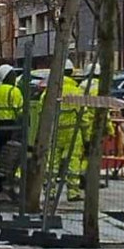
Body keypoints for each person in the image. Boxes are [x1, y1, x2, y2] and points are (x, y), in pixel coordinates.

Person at [43, 59, 86, 201]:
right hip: (73, 132)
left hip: (55, 131)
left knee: (52, 162)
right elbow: (84, 115)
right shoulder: (77, 91)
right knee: (73, 161)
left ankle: (49, 191)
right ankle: (73, 192)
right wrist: (86, 135)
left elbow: (43, 109)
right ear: (71, 72)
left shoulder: (52, 90)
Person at [0, 64, 24, 163]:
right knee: (12, 150)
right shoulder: (15, 91)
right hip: (12, 125)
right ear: (7, 77)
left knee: (0, 147)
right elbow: (20, 110)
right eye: (13, 75)